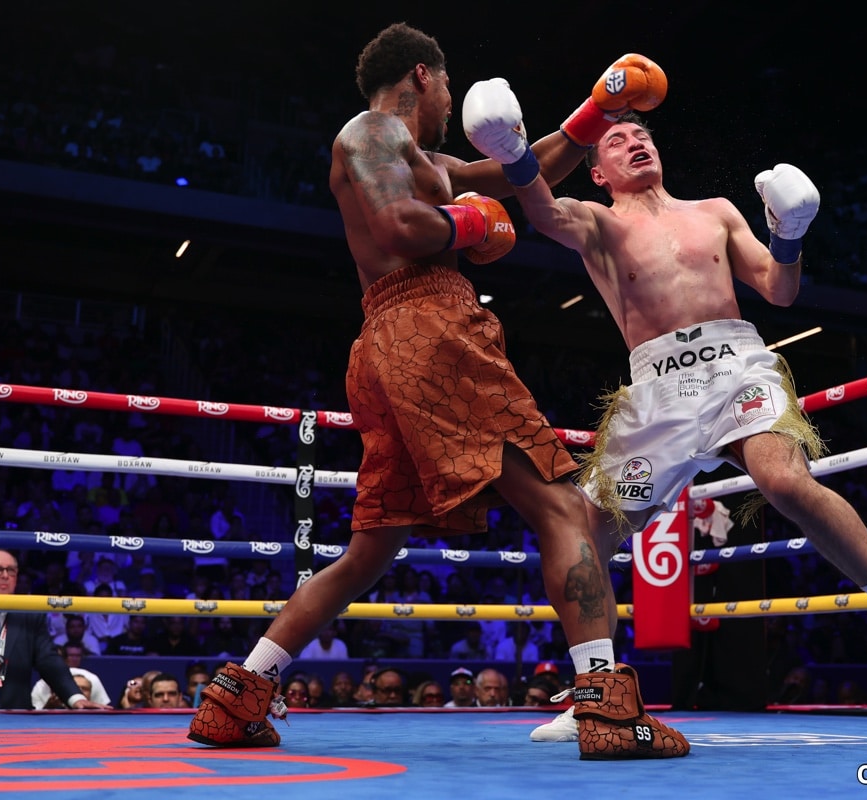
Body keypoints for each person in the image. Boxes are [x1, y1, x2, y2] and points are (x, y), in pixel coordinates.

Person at [188, 22, 686, 761]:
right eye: (449, 85)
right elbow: (400, 224)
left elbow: (529, 168)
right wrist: (467, 224)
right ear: (423, 75)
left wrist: (596, 110)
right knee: (559, 504)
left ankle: (237, 697)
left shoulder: (424, 156)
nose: (453, 99)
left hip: (384, 346)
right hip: (429, 324)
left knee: (368, 549)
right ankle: (607, 708)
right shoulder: (371, 131)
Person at [463, 81, 867, 738]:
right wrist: (514, 149)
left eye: (641, 132)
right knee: (582, 535)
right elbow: (540, 212)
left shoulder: (717, 210)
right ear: (598, 169)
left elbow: (779, 290)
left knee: (784, 479)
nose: (634, 138)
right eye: (616, 139)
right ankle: (599, 683)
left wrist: (790, 234)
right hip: (658, 392)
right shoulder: (599, 221)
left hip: (736, 368)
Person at [0, 549, 109, 710]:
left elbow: (48, 660)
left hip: (12, 716)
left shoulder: (29, 616)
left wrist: (75, 698)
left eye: (11, 570)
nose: (5, 575)